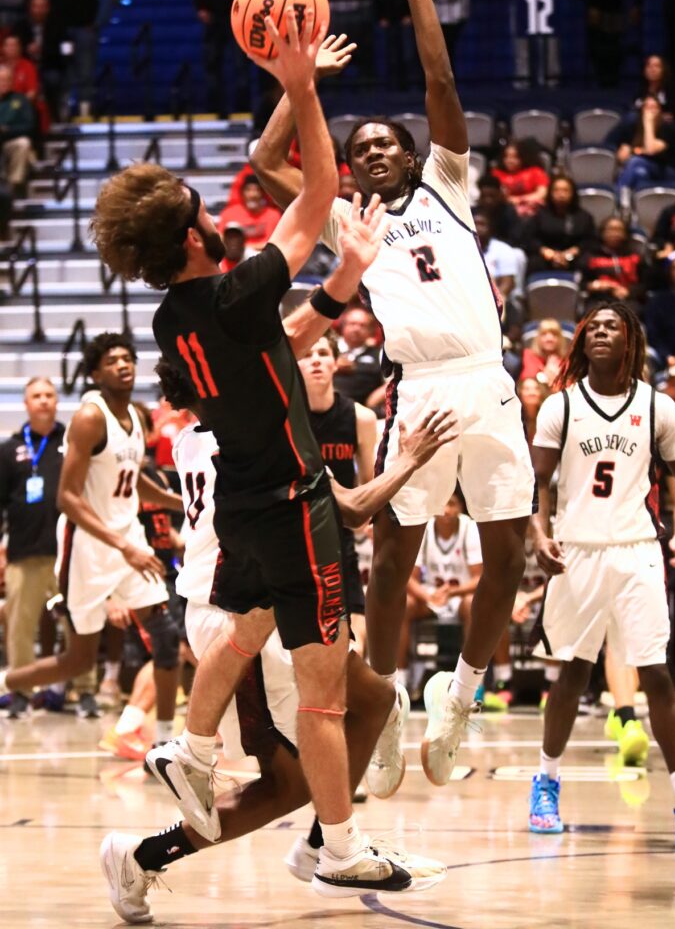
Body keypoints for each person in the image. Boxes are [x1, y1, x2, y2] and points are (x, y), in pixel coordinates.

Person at [89, 11, 441, 896]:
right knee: (325, 697)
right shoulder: (235, 291)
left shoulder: (179, 323)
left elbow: (273, 347)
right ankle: (339, 843)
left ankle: (190, 746)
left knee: (248, 630)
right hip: (291, 504)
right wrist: (299, 86)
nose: (220, 216)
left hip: (246, 509)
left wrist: (342, 281)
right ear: (198, 240)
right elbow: (317, 186)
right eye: (208, 214)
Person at [251, 0, 535, 794]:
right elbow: (266, 159)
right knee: (392, 560)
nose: (372, 150)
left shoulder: (449, 185)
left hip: (485, 382)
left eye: (385, 143)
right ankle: (383, 705)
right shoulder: (343, 214)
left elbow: (439, 77)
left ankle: (462, 692)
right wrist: (297, 87)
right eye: (359, 144)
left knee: (508, 554)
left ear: (412, 155)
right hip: (419, 388)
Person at [100, 358, 451, 923]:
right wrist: (408, 458)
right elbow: (356, 509)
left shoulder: (193, 439)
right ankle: (140, 857)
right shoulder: (255, 440)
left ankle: (325, 840)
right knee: (286, 784)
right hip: (245, 616)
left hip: (257, 606)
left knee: (376, 700)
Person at [527, 303, 675, 848]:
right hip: (577, 552)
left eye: (609, 326)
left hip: (638, 548)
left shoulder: (659, 407)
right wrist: (540, 535)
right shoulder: (559, 407)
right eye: (590, 326)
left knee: (658, 677)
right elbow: (537, 486)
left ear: (631, 339)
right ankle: (545, 781)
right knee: (570, 673)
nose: (598, 332)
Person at [0, 334, 183, 748]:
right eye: (112, 360)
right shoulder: (89, 417)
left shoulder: (135, 418)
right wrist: (124, 547)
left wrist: (176, 498)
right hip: (90, 547)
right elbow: (67, 497)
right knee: (78, 660)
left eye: (127, 358)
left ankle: (167, 746)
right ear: (96, 372)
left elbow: (129, 482)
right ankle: (5, 681)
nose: (123, 365)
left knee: (167, 638)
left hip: (127, 538)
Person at [297, 332, 377, 654]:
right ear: (296, 365)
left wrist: (365, 518)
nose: (315, 359)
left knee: (356, 614)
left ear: (336, 363)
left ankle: (352, 680)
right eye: (307, 354)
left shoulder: (361, 418)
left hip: (338, 529)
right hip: (294, 532)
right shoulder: (286, 417)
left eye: (322, 353)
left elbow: (369, 482)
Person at [0, 379, 65, 718]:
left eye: (49, 395)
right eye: (36, 396)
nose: (43, 401)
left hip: (67, 552)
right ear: (26, 403)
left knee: (78, 625)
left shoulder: (70, 442)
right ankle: (22, 691)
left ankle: (79, 692)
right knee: (20, 628)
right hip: (24, 552)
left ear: (57, 401)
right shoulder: (9, 449)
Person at [398, 491, 482, 699]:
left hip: (461, 594)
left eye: (452, 504)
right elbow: (409, 577)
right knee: (404, 604)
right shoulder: (424, 528)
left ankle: (471, 683)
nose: (446, 510)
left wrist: (453, 591)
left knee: (474, 604)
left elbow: (479, 578)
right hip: (432, 596)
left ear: (461, 507)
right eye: (442, 504)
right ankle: (401, 680)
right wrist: (428, 597)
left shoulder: (469, 528)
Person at [49, 0, 100, 116]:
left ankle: (85, 107)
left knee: (85, 68)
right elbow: (54, 3)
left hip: (83, 29)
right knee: (65, 68)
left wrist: (92, 22)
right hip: (64, 32)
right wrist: (58, 28)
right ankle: (64, 106)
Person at [523, 174, 596, 276]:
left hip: (573, 256)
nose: (561, 194)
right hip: (546, 255)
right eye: (556, 190)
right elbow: (529, 238)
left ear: (573, 193)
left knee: (586, 263)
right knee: (534, 263)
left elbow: (590, 240)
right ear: (550, 193)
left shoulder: (584, 216)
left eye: (566, 190)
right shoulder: (540, 215)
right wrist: (545, 251)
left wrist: (573, 252)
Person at [615, 96, 675, 193]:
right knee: (640, 173)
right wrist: (625, 152)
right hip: (644, 169)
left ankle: (618, 198)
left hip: (667, 170)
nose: (650, 111)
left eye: (653, 107)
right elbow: (621, 159)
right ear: (641, 110)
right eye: (647, 107)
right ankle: (634, 204)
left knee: (635, 161)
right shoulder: (634, 128)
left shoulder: (666, 128)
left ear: (660, 111)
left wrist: (648, 123)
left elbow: (651, 150)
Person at [580, 216, 644, 312]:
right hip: (599, 298)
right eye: (610, 229)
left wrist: (629, 292)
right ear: (602, 233)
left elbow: (644, 283)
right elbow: (582, 283)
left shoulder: (635, 256)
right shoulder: (590, 256)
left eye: (619, 230)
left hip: (627, 299)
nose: (614, 234)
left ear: (625, 233)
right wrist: (595, 285)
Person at [333, 305, 384, 408]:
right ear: (343, 326)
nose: (356, 329)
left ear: (371, 331)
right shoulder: (329, 350)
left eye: (362, 325)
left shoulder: (380, 354)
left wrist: (372, 401)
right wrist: (333, 365)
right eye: (352, 324)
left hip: (362, 410)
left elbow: (392, 382)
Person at [216, 173, 282, 252]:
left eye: (257, 190)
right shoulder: (229, 214)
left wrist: (247, 248)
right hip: (237, 256)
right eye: (248, 190)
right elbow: (221, 239)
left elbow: (275, 243)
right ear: (242, 193)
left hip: (263, 255)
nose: (252, 194)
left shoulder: (273, 215)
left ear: (263, 194)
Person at [644, 251, 675, 372]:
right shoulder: (657, 300)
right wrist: (666, 356)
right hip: (665, 359)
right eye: (674, 268)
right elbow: (653, 333)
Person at [491, 139, 549, 218]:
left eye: (515, 157)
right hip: (505, 211)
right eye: (506, 157)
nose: (510, 161)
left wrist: (519, 200)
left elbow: (542, 193)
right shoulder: (497, 173)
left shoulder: (535, 171)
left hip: (531, 210)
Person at [0, 63, 34, 196]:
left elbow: (29, 126)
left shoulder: (20, 100)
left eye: (7, 79)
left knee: (23, 143)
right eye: (1, 80)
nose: (4, 83)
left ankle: (13, 187)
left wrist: (6, 130)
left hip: (10, 142)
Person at [472, 209, 520, 303]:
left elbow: (508, 282)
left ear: (490, 228)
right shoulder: (462, 247)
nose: (478, 228)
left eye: (482, 224)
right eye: (475, 224)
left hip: (497, 298)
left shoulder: (503, 249)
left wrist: (495, 301)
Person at [477, 173, 524, 246]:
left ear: (499, 194)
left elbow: (515, 239)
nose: (488, 200)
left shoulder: (508, 212)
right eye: (484, 196)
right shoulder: (473, 212)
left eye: (492, 196)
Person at [633, 54, 675, 123]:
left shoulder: (672, 90)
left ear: (664, 70)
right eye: (649, 66)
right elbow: (635, 106)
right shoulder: (641, 89)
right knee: (632, 117)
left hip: (667, 126)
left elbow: (674, 114)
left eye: (657, 66)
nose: (652, 69)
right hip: (643, 123)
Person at [519, 318, 566, 385]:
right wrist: (546, 375)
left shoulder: (565, 360)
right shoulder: (528, 354)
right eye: (544, 334)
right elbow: (528, 381)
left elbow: (569, 386)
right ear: (538, 338)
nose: (549, 338)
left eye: (554, 335)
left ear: (560, 339)